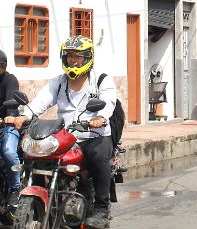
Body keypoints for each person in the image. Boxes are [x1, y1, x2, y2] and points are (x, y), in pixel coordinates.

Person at [8, 36, 116, 229]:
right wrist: (24, 115)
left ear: (88, 58)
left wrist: (99, 118)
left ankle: (101, 208)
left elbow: (108, 103)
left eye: (78, 57)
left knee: (98, 155)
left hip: (93, 135)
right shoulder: (58, 82)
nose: (73, 61)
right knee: (34, 156)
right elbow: (40, 102)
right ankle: (41, 197)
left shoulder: (101, 80)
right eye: (69, 57)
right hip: (66, 138)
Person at [0, 50, 20, 208]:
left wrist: (11, 115)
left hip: (7, 125)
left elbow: (12, 102)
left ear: (3, 66)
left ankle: (15, 188)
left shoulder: (10, 79)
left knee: (8, 151)